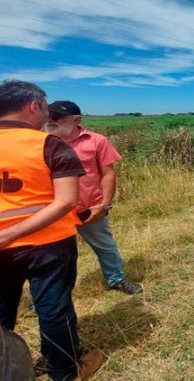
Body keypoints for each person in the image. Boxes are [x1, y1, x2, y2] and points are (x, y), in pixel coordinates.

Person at [0, 80, 103, 381]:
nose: (47, 116)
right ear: (34, 106)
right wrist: (6, 235)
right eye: (45, 108)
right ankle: (65, 371)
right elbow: (66, 201)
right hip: (48, 245)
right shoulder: (50, 145)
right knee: (54, 309)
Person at [44, 100, 143, 295]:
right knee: (51, 254)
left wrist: (104, 205)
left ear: (76, 119)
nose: (51, 120)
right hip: (53, 211)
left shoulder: (96, 141)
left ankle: (116, 279)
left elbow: (108, 174)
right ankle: (53, 293)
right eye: (48, 116)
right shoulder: (42, 142)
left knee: (105, 246)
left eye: (56, 117)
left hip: (88, 209)